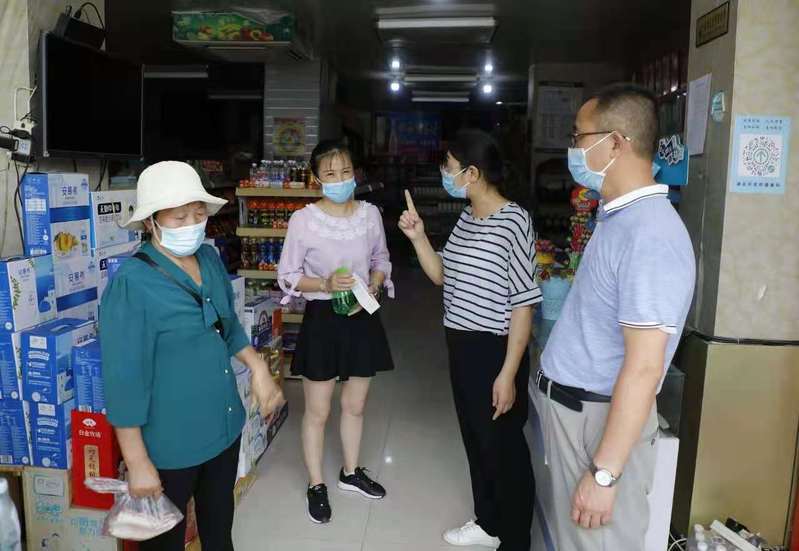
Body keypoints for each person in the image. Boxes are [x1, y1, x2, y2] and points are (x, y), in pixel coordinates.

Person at [535, 83, 696, 550]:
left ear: (616, 143)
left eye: (579, 136)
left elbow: (644, 367)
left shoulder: (651, 236)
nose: (573, 148)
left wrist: (605, 474)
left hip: (600, 423)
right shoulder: (619, 218)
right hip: (581, 414)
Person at [100, 161, 286, 551]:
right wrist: (137, 461)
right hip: (170, 445)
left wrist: (258, 368)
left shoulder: (209, 259)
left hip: (223, 427)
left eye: (199, 213)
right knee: (164, 544)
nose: (192, 224)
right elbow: (124, 380)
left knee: (218, 532)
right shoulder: (132, 284)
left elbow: (227, 325)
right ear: (151, 222)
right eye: (179, 216)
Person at [399, 129, 540, 551]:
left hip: (495, 350)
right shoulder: (466, 218)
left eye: (449, 167)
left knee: (504, 449)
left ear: (472, 173)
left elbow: (524, 304)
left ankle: (515, 540)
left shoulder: (514, 221)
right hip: (460, 344)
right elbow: (442, 275)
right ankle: (488, 522)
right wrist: (418, 237)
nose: (445, 174)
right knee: (476, 439)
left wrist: (508, 373)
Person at [277, 139, 395, 524]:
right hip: (323, 319)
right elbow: (288, 275)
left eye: (345, 171)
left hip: (362, 315)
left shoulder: (370, 215)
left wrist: (374, 283)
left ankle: (350, 472)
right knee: (318, 410)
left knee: (355, 405)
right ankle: (316, 484)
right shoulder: (303, 220)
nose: (340, 179)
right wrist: (325, 284)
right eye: (330, 174)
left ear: (354, 173)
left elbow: (381, 259)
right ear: (316, 179)